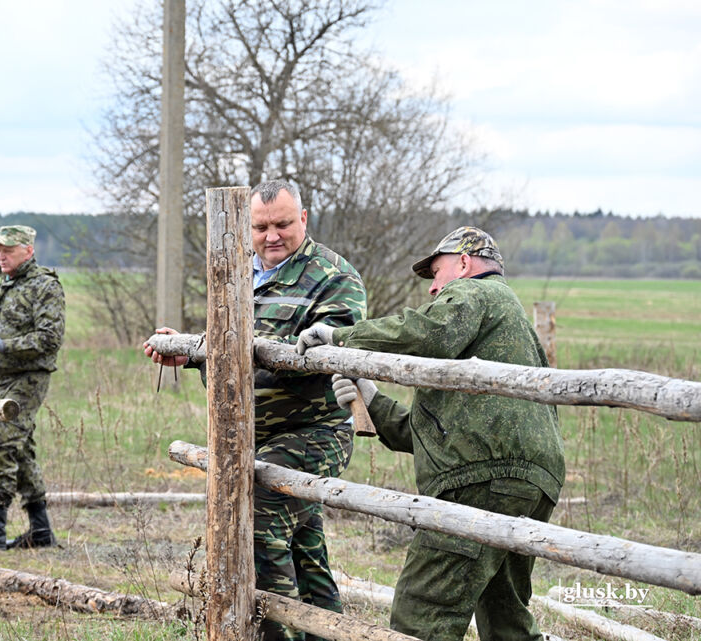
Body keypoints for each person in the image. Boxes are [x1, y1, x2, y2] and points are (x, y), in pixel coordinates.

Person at [296, 226, 566, 641]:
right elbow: (429, 434)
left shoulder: (478, 293)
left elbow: (428, 333)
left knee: (423, 611)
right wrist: (371, 397)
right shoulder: (506, 331)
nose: (432, 289)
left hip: (480, 480)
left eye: (436, 274)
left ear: (463, 264)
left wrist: (340, 337)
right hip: (529, 483)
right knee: (504, 615)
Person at [144, 180, 366, 641]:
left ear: (303, 219)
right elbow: (225, 339)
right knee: (306, 548)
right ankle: (328, 632)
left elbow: (322, 353)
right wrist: (190, 349)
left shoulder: (335, 277)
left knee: (259, 521)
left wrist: (228, 352)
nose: (271, 236)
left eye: (283, 224)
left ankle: (275, 632)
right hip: (252, 436)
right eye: (260, 227)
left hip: (314, 432)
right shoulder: (237, 273)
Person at [0, 224, 65, 551]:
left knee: (0, 449)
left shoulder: (44, 286)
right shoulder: (6, 285)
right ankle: (41, 530)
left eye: (8, 249)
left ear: (28, 251)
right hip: (6, 381)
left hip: (28, 380)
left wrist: (6, 345)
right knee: (21, 452)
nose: (1, 255)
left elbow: (49, 339)